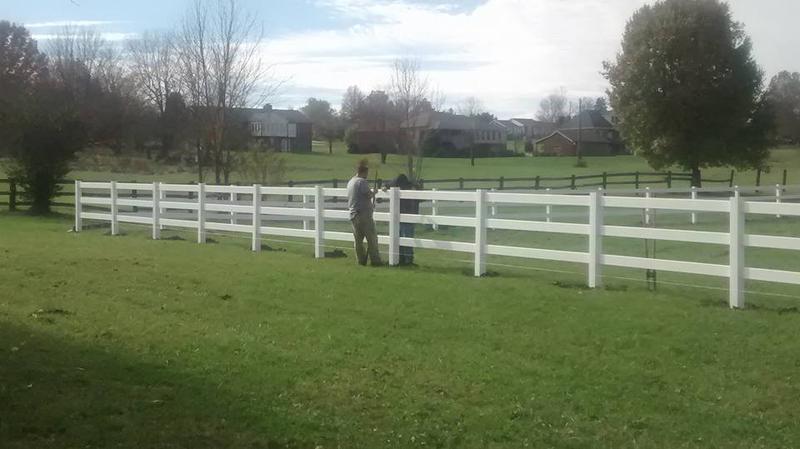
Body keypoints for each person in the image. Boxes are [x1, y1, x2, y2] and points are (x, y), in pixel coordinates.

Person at [347, 160, 382, 266]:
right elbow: (367, 194)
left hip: (353, 214)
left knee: (358, 240)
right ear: (364, 172)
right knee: (372, 238)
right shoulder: (361, 181)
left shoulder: (351, 182)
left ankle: (361, 260)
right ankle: (375, 261)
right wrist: (374, 192)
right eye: (367, 173)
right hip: (363, 215)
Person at [387, 174, 420, 265]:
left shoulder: (409, 190)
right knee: (403, 237)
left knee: (405, 237)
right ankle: (404, 258)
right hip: (403, 217)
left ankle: (407, 259)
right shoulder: (409, 188)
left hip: (407, 217)